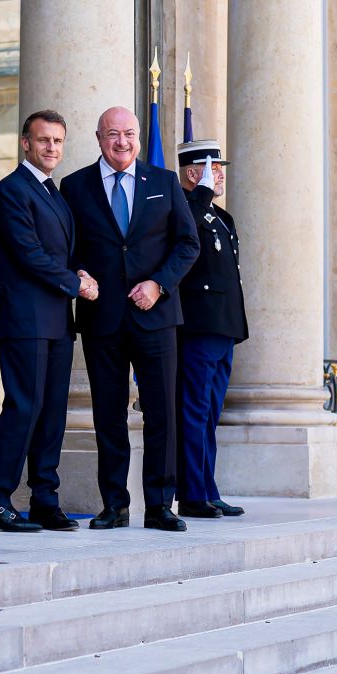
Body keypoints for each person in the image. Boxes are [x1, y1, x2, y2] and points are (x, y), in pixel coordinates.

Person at [61, 106, 200, 531]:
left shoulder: (163, 182)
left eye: (129, 134)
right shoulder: (74, 186)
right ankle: (114, 505)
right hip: (102, 317)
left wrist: (159, 284)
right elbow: (67, 247)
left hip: (155, 316)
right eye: (112, 134)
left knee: (161, 413)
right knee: (108, 414)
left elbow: (187, 244)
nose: (121, 142)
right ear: (98, 138)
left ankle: (159, 505)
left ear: (138, 137)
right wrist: (78, 273)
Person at [0, 110, 97, 532]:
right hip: (25, 319)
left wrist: (79, 271)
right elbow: (28, 253)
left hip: (58, 320)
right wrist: (75, 283)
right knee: (23, 409)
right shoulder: (11, 190)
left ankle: (45, 499)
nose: (51, 148)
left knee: (52, 413)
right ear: (25, 143)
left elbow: (63, 251)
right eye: (43, 140)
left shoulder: (53, 192)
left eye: (58, 141)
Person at [174, 136, 247, 519]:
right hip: (199, 326)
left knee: (210, 413)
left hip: (222, 326)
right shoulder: (185, 206)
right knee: (194, 410)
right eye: (213, 169)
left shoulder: (220, 216)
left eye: (218, 170)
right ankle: (191, 493)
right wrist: (201, 194)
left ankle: (208, 488)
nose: (219, 176)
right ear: (193, 173)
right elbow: (183, 236)